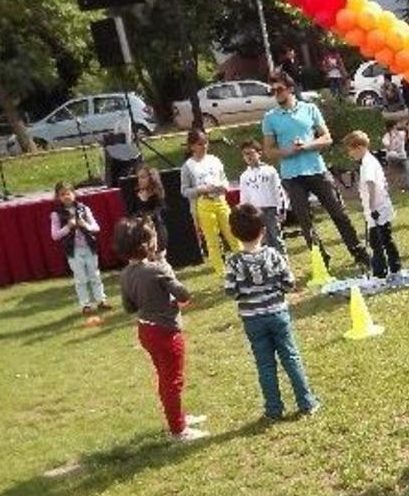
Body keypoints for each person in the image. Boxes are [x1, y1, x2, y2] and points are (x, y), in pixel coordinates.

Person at [262, 70, 370, 272]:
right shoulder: (270, 118)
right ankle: (321, 260)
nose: (276, 93)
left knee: (338, 213)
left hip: (316, 170)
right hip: (292, 177)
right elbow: (268, 150)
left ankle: (359, 252)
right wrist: (288, 151)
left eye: (280, 89)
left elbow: (327, 138)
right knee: (305, 222)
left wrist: (307, 145)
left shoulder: (309, 109)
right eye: (273, 90)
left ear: (290, 89)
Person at [115, 217, 208, 442]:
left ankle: (178, 417)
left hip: (145, 330)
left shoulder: (125, 274)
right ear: (147, 244)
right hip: (166, 333)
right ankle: (178, 430)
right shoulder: (157, 269)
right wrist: (167, 277)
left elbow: (129, 307)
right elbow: (183, 294)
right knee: (173, 380)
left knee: (164, 377)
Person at [224, 204, 320, 421]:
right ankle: (306, 402)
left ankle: (273, 409)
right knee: (291, 357)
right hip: (277, 314)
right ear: (263, 231)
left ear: (233, 233)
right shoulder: (274, 255)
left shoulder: (233, 262)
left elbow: (230, 291)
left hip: (252, 319)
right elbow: (289, 283)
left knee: (265, 364)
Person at [343, 131, 402, 279]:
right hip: (375, 209)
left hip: (378, 208)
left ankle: (389, 268)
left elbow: (371, 184)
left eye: (351, 150)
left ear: (360, 147)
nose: (350, 154)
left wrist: (372, 207)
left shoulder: (368, 163)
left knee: (381, 240)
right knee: (379, 240)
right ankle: (384, 268)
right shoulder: (366, 162)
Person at [180, 129, 240, 275]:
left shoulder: (215, 160)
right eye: (200, 144)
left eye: (206, 142)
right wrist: (201, 189)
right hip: (204, 203)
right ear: (192, 146)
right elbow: (184, 191)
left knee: (232, 233)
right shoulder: (188, 166)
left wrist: (224, 187)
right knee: (212, 239)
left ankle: (243, 264)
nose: (204, 146)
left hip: (220, 199)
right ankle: (222, 272)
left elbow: (224, 180)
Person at [50, 181, 110, 315]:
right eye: (62, 194)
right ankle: (85, 305)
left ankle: (101, 300)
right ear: (58, 197)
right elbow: (55, 235)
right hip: (74, 250)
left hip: (89, 246)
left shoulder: (84, 209)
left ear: (74, 194)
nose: (66, 196)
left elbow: (96, 227)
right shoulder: (56, 214)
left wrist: (85, 225)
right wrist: (68, 227)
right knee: (81, 278)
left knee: (95, 274)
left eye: (68, 193)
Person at [238, 139, 288, 256]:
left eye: (251, 153)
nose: (248, 157)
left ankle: (283, 262)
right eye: (245, 154)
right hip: (256, 211)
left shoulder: (270, 170)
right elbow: (244, 197)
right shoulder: (244, 176)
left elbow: (278, 190)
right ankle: (269, 264)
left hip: (271, 209)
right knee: (263, 240)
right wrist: (245, 213)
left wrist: (282, 208)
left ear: (259, 153)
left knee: (275, 236)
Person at [133, 165, 169, 261]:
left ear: (151, 178)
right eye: (138, 178)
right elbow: (135, 212)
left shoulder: (157, 194)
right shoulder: (137, 194)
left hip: (156, 229)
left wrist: (145, 202)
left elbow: (158, 211)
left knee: (159, 258)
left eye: (143, 177)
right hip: (142, 231)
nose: (139, 180)